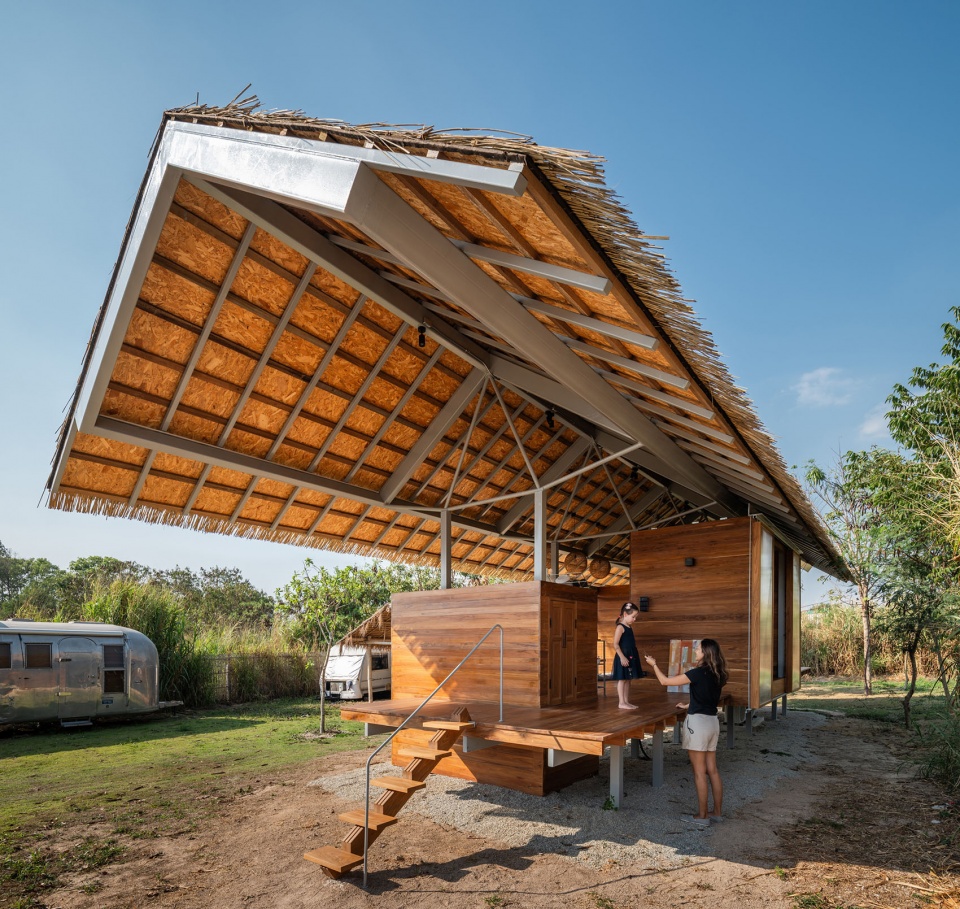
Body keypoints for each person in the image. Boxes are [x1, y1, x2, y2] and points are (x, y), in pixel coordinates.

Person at [644, 639, 728, 827]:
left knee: (699, 772)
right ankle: (717, 813)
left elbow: (665, 681)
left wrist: (654, 664)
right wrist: (689, 704)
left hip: (698, 724)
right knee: (712, 770)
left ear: (705, 653)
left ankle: (702, 816)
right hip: (712, 723)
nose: (695, 651)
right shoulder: (719, 673)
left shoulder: (697, 673)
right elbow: (707, 697)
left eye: (698, 649)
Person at [612, 602, 641, 709]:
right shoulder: (620, 627)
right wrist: (622, 657)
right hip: (623, 656)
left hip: (630, 656)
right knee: (622, 679)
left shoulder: (629, 627)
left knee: (628, 679)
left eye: (635, 617)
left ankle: (626, 701)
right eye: (633, 616)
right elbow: (615, 644)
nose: (634, 619)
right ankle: (621, 702)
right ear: (625, 614)